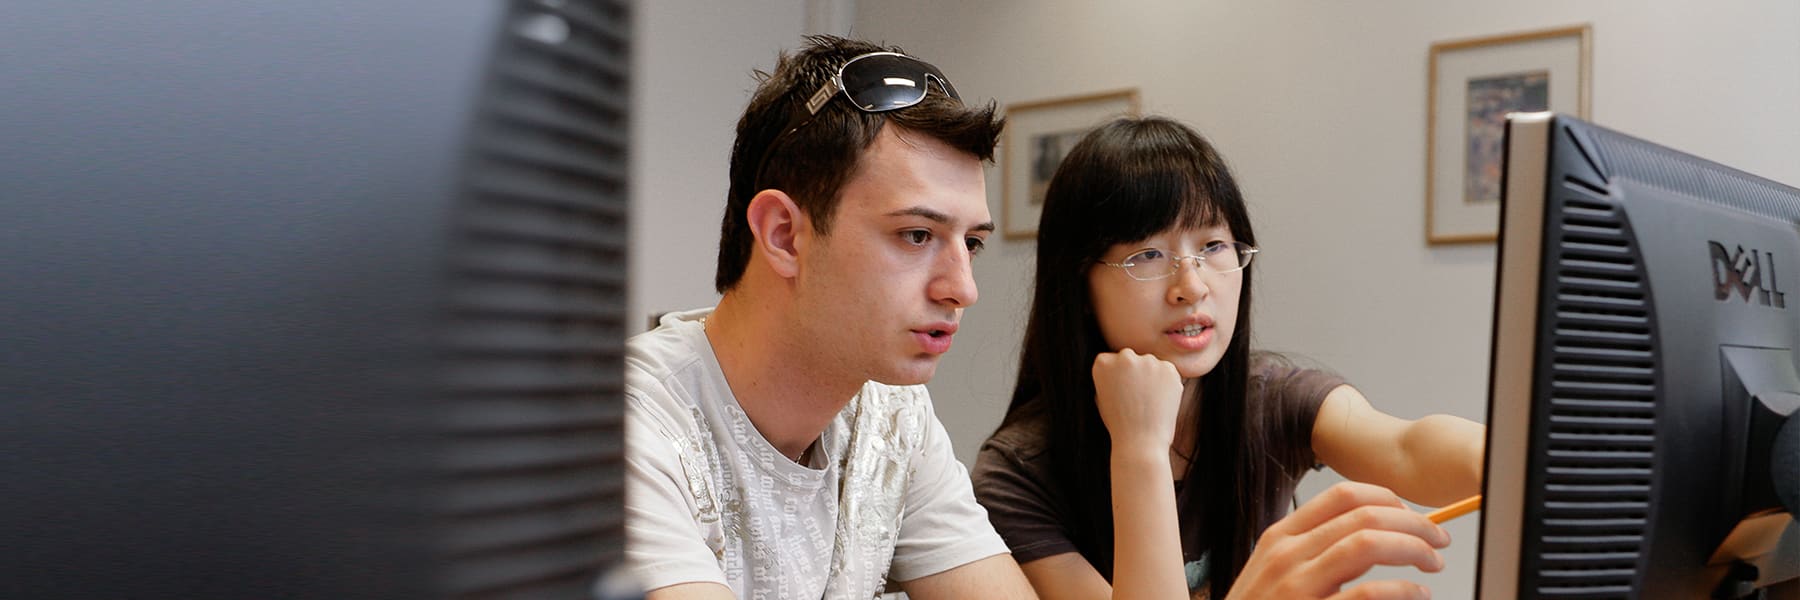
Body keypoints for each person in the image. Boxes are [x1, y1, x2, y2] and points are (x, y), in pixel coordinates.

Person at [972, 116, 1486, 600]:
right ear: (1079, 282)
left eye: (1214, 245)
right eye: (1148, 255)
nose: (1191, 286)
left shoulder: (1269, 396)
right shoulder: (1016, 475)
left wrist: (1524, 457)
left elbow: (1407, 448)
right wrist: (1140, 447)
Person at [621, 35, 1036, 599]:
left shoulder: (893, 414)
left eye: (973, 244)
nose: (963, 288)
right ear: (784, 235)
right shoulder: (626, 426)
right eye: (916, 235)